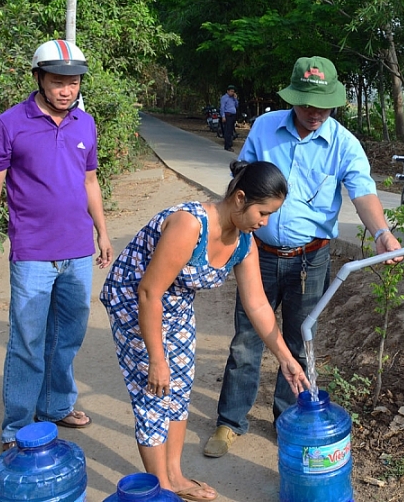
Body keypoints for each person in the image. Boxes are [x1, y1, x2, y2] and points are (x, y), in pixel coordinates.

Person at [204, 55, 403, 457]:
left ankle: (286, 419)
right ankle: (230, 422)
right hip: (256, 254)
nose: (314, 113)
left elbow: (362, 192)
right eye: (307, 103)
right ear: (293, 98)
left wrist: (381, 233)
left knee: (297, 341)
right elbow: (240, 183)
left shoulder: (344, 143)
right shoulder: (265, 128)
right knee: (247, 339)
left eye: (323, 105)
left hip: (310, 261)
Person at [100, 161, 310, 501]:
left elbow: (257, 305)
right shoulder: (189, 225)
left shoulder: (244, 242)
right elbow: (149, 292)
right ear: (240, 198)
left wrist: (285, 359)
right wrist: (156, 357)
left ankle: (176, 476)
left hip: (176, 304)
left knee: (179, 389)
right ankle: (162, 491)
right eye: (263, 212)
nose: (265, 222)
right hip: (135, 301)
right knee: (154, 395)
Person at [0, 39, 113, 451]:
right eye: (57, 82)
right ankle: (16, 426)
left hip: (78, 251)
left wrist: (102, 232)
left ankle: (54, 405)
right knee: (28, 340)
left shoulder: (85, 124)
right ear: (38, 79)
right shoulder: (10, 123)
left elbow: (90, 182)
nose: (66, 90)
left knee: (67, 336)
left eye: (73, 83)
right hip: (32, 251)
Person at [220, 85, 238, 151]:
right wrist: (223, 116)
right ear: (227, 91)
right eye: (231, 91)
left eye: (233, 91)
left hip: (233, 116)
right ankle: (227, 146)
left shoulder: (233, 98)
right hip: (228, 115)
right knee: (227, 131)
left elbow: (236, 105)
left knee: (231, 131)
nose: (232, 93)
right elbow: (222, 108)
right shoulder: (224, 98)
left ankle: (230, 144)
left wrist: (235, 99)